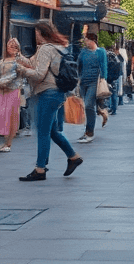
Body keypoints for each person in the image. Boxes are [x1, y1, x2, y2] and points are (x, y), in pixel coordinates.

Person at [15, 21, 84, 181]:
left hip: (48, 93)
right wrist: (18, 55)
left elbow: (39, 74)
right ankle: (73, 157)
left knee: (43, 132)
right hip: (56, 93)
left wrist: (21, 70)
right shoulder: (56, 47)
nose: (35, 35)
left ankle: (40, 169)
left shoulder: (46, 49)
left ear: (41, 32)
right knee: (52, 131)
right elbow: (33, 64)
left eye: (36, 32)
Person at [77, 32, 108, 143]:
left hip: (94, 82)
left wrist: (104, 80)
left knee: (89, 105)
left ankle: (90, 132)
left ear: (92, 41)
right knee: (86, 106)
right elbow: (79, 65)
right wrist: (78, 79)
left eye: (86, 40)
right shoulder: (83, 52)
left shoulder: (101, 52)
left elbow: (104, 67)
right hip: (83, 82)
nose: (85, 42)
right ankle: (87, 130)